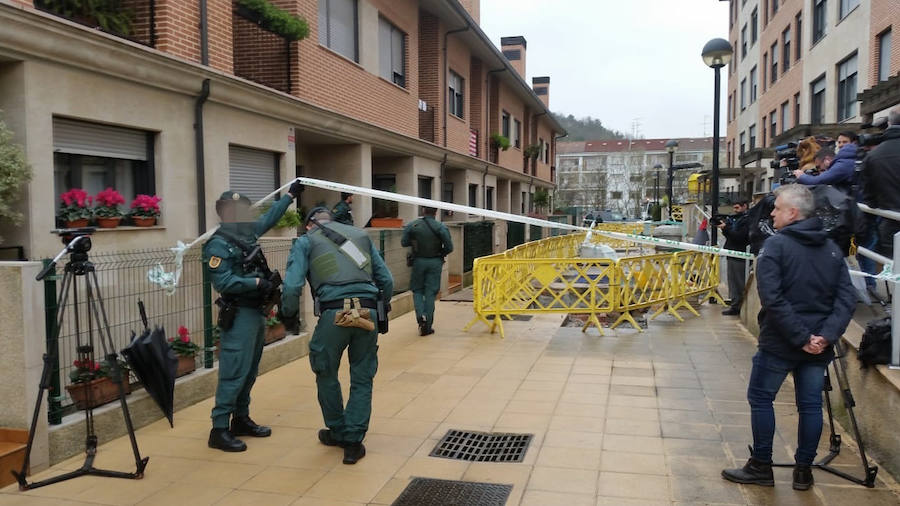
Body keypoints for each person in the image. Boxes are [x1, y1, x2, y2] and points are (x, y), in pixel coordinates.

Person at [721, 184, 856, 491]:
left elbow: (772, 298)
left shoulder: (775, 246)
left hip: (781, 342)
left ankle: (762, 466)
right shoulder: (832, 249)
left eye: (778, 207)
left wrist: (803, 337)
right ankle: (803, 471)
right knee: (810, 405)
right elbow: (846, 299)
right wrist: (823, 336)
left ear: (793, 213)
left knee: (761, 398)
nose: (772, 212)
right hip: (817, 343)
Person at [280, 207, 394, 464]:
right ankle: (353, 442)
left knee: (325, 371)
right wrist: (382, 308)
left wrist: (288, 314)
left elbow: (292, 286)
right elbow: (386, 279)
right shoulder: (359, 235)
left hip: (334, 314)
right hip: (367, 312)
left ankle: (337, 430)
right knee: (362, 375)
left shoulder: (305, 241)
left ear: (309, 224)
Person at [203, 181, 304, 452]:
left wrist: (290, 197)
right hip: (239, 315)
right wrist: (257, 284)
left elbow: (270, 217)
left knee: (249, 371)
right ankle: (219, 428)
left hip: (256, 312)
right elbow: (223, 281)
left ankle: (241, 419)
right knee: (234, 371)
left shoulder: (246, 233)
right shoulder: (217, 246)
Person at [401, 207, 453, 335]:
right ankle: (428, 325)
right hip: (435, 262)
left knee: (417, 290)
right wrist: (441, 253)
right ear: (435, 212)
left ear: (423, 211)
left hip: (418, 261)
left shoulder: (413, 225)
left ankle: (421, 316)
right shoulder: (440, 227)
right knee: (430, 293)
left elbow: (404, 242)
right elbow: (449, 247)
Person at [861, 107, 900, 256]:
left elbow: (868, 196)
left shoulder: (873, 156)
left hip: (891, 224)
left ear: (889, 123)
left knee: (892, 271)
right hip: (890, 223)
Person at [717, 200, 749, 315]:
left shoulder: (746, 220)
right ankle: (735, 304)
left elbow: (739, 237)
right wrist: (725, 228)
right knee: (733, 281)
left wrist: (726, 228)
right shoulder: (736, 219)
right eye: (734, 208)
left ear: (745, 206)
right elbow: (731, 235)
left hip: (739, 253)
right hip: (732, 252)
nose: (735, 210)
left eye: (737, 208)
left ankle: (737, 306)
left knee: (738, 282)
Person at [793, 141, 858, 194]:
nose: (819, 171)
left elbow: (818, 181)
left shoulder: (843, 164)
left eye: (819, 166)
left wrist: (801, 175)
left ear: (827, 160)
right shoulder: (850, 160)